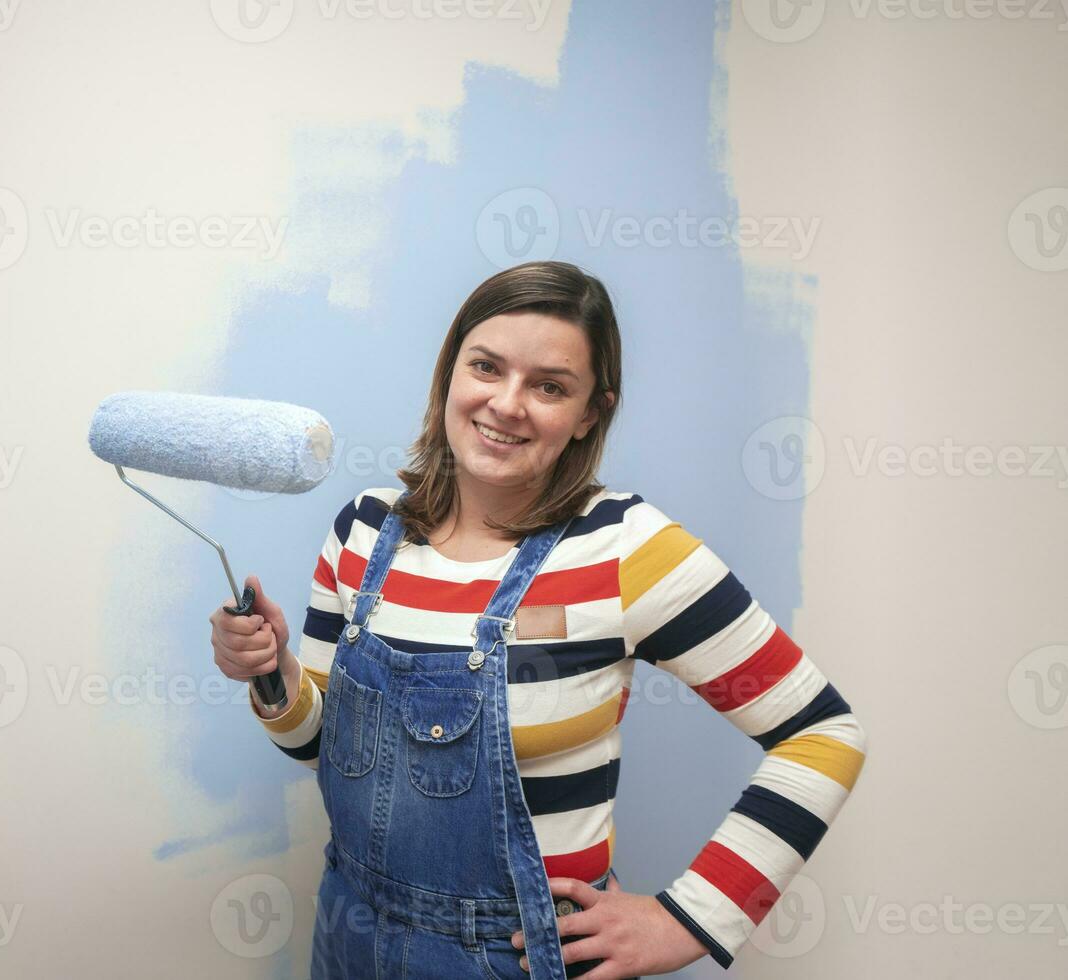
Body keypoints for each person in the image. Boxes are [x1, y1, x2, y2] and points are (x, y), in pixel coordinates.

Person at [209, 260, 868, 979]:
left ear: (591, 412)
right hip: (348, 931)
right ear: (450, 373)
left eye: (549, 386)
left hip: (515, 959)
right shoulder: (366, 531)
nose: (508, 404)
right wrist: (272, 676)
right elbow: (321, 747)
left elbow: (823, 734)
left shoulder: (626, 549)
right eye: (486, 367)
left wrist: (690, 920)